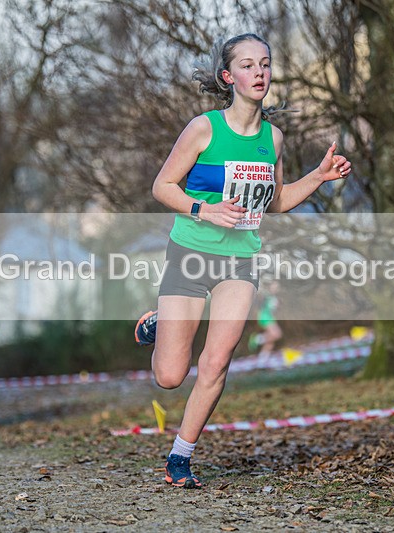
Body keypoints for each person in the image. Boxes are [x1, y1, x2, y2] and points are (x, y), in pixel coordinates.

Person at [133, 33, 351, 488]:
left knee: (217, 361)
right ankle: (157, 324)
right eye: (249, 66)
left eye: (266, 64)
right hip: (191, 253)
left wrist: (318, 176)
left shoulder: (273, 137)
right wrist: (203, 208)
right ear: (229, 77)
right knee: (171, 376)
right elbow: (162, 186)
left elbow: (275, 201)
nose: (260, 73)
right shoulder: (203, 129)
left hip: (240, 260)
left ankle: (181, 457)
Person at [248, 281, 282, 364]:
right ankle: (257, 339)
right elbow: (260, 297)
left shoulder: (275, 298)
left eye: (277, 287)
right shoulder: (266, 295)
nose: (276, 289)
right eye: (274, 286)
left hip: (270, 318)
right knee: (277, 334)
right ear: (270, 287)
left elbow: (274, 310)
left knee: (270, 341)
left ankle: (262, 359)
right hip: (265, 317)